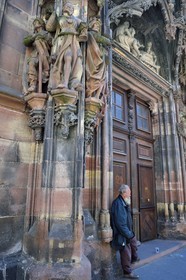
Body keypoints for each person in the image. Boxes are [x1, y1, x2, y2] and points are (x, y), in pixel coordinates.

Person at [46, 2, 87, 92]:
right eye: (66, 6)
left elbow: (84, 29)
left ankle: (67, 82)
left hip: (73, 42)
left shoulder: (77, 20)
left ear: (73, 10)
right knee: (62, 61)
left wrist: (83, 29)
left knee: (69, 58)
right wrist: (54, 14)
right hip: (62, 41)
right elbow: (49, 28)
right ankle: (59, 81)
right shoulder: (60, 18)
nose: (68, 7)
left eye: (70, 7)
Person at [111, 184, 140, 279]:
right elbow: (120, 223)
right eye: (129, 193)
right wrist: (129, 234)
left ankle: (134, 259)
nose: (130, 195)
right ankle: (127, 272)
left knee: (133, 245)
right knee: (126, 252)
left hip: (127, 231)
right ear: (123, 193)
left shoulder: (123, 202)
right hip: (122, 233)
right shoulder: (118, 204)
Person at [23, 18, 52, 93]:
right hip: (35, 54)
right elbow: (26, 42)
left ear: (41, 24)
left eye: (37, 22)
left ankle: (45, 78)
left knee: (44, 69)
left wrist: (42, 38)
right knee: (31, 64)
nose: (35, 24)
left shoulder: (46, 34)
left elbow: (51, 42)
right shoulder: (33, 35)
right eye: (34, 23)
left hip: (44, 53)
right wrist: (34, 37)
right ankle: (33, 84)